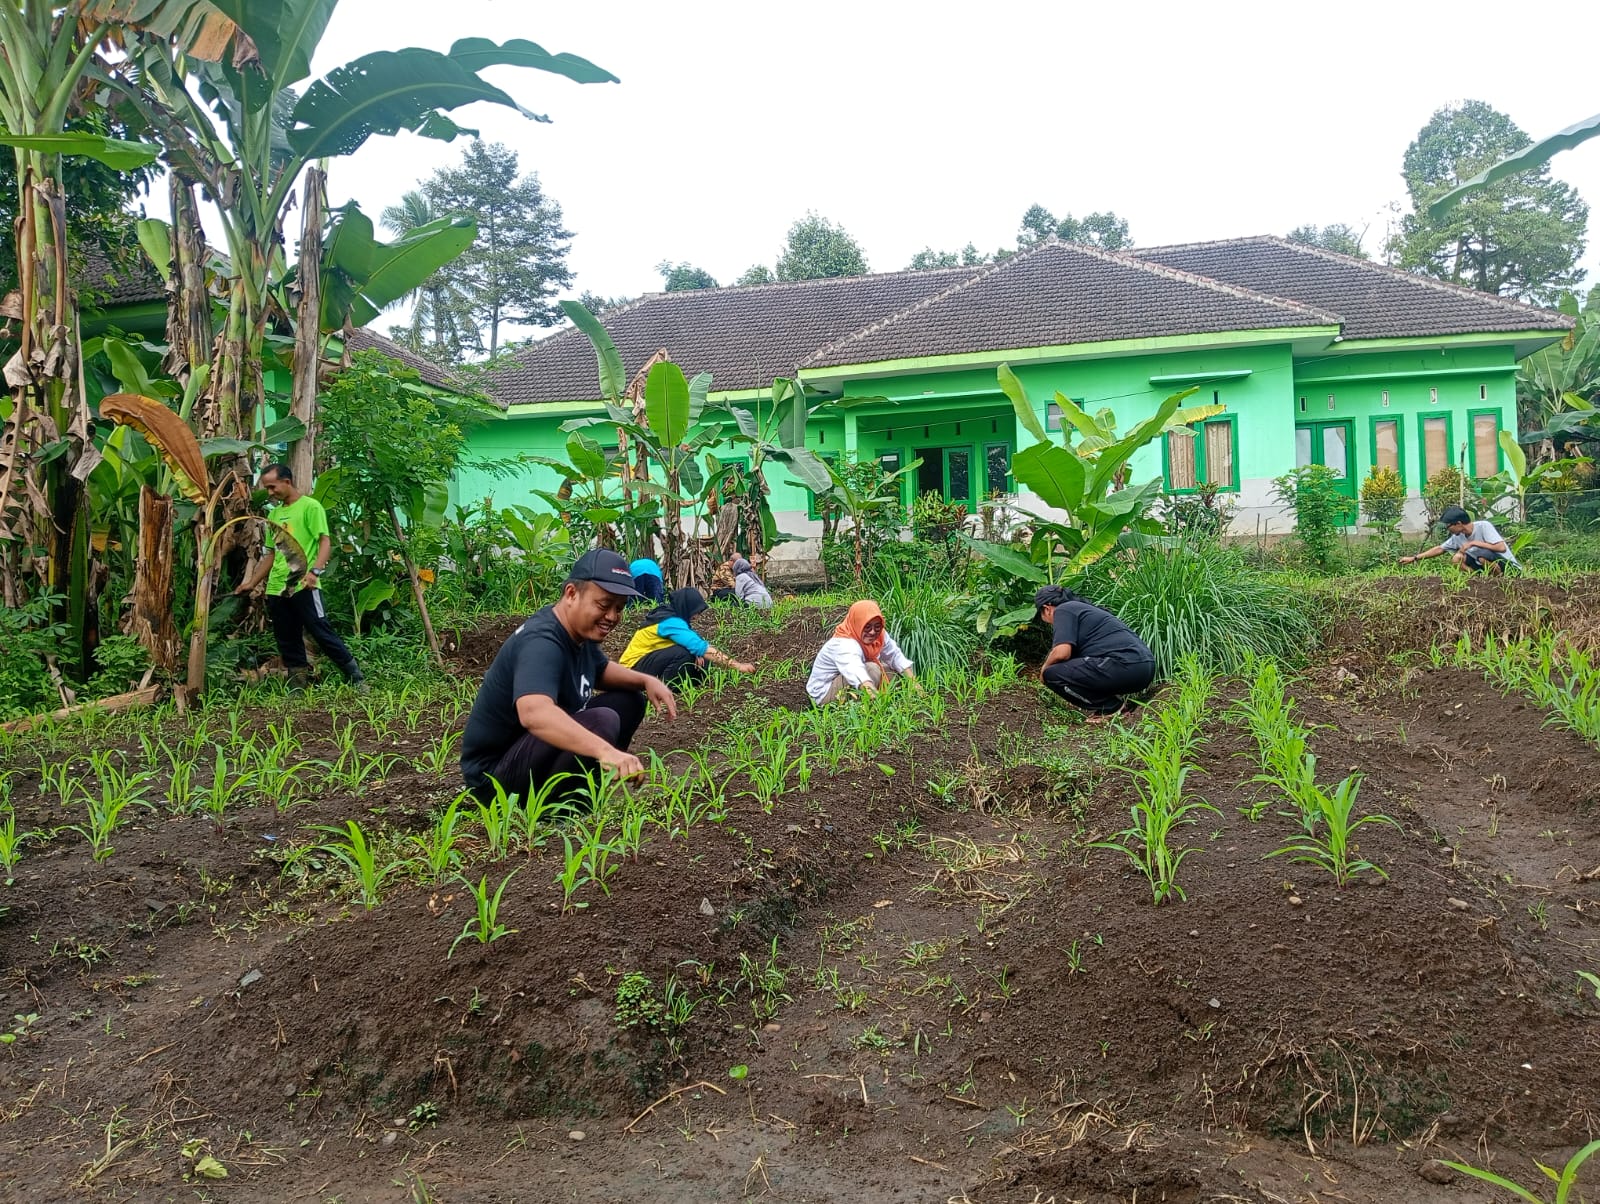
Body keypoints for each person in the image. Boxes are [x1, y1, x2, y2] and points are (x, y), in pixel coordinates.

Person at [460, 548, 677, 804]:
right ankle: (564, 808)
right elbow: (534, 713)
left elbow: (601, 670)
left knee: (629, 700)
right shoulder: (542, 642)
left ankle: (583, 789)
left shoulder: (577, 634)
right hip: (494, 779)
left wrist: (645, 680)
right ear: (571, 594)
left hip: (528, 752)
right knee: (601, 720)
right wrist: (606, 751)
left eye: (619, 608)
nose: (612, 617)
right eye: (604, 605)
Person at [232, 463, 366, 692]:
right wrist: (252, 583)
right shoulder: (274, 514)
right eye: (267, 488)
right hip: (277, 588)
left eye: (273, 487)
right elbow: (271, 554)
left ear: (287, 481)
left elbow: (325, 541)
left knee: (320, 630)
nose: (270, 493)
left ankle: (355, 677)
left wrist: (315, 572)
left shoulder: (310, 507)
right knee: (287, 636)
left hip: (304, 584)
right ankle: (298, 685)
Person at [1033, 585, 1155, 722]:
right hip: (1143, 667)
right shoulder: (1083, 610)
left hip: (1126, 665)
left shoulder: (1063, 610)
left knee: (1052, 673)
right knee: (1071, 668)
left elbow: (1062, 652)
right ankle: (1112, 704)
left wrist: (1044, 670)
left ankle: (1110, 707)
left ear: (1047, 609)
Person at [619, 587, 754, 686]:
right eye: (696, 612)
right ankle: (666, 686)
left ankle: (686, 684)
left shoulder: (671, 616)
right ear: (687, 607)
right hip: (630, 670)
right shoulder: (669, 622)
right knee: (685, 653)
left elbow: (696, 644)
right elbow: (701, 647)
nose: (697, 616)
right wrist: (738, 666)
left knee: (700, 657)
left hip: (644, 664)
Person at [806, 600, 920, 704]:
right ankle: (865, 708)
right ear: (857, 623)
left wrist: (915, 684)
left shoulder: (880, 635)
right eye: (867, 627)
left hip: (846, 680)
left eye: (877, 626)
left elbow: (895, 655)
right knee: (871, 669)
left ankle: (895, 700)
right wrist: (874, 697)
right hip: (823, 693)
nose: (872, 632)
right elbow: (855, 670)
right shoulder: (843, 643)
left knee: (891, 672)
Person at [1399, 506, 1520, 574]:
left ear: (1458, 523)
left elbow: (1501, 547)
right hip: (1483, 565)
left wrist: (1473, 543)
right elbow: (1440, 549)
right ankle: (1478, 580)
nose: (1447, 529)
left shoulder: (1483, 526)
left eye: (1448, 526)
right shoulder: (1458, 537)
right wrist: (1414, 558)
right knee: (1456, 558)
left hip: (1509, 568)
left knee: (1482, 556)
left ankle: (1500, 582)